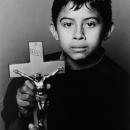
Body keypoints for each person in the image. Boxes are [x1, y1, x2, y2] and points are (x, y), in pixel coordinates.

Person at [1, 0, 129, 130]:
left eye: (90, 24)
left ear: (107, 31)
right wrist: (23, 113)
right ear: (55, 30)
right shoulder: (30, 73)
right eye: (68, 24)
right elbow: (10, 126)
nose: (78, 35)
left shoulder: (122, 86)